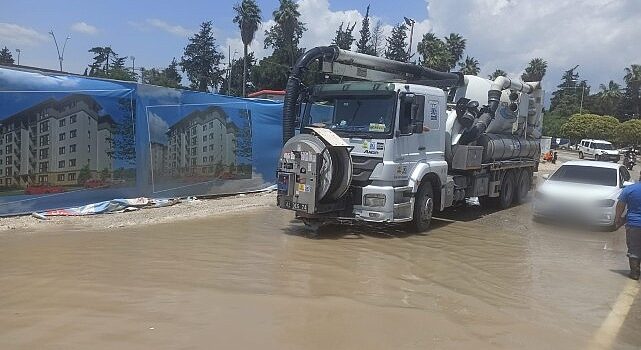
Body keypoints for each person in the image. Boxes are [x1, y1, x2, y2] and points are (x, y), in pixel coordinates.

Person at [616, 171, 641, 280]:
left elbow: (620, 205)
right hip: (633, 223)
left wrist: (618, 218)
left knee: (634, 248)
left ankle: (635, 273)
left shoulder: (630, 189)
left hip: (634, 224)